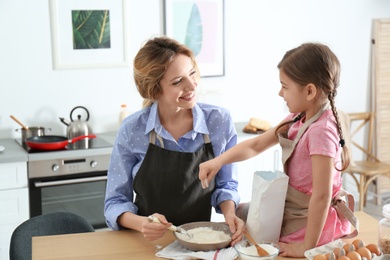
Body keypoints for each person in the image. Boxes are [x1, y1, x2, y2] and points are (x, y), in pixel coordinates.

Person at [199, 42, 357, 257]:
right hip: (293, 211)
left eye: (285, 86)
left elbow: (321, 195)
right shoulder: (298, 118)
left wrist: (306, 248)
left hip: (310, 225)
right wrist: (218, 162)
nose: (280, 92)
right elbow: (256, 145)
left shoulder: (322, 131)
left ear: (309, 91)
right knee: (239, 213)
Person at [104, 36, 244, 245]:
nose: (192, 86)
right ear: (154, 89)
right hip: (146, 242)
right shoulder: (132, 130)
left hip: (200, 243)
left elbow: (226, 184)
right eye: (178, 81)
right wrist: (142, 223)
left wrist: (230, 213)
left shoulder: (219, 122)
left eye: (192, 73)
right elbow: (115, 202)